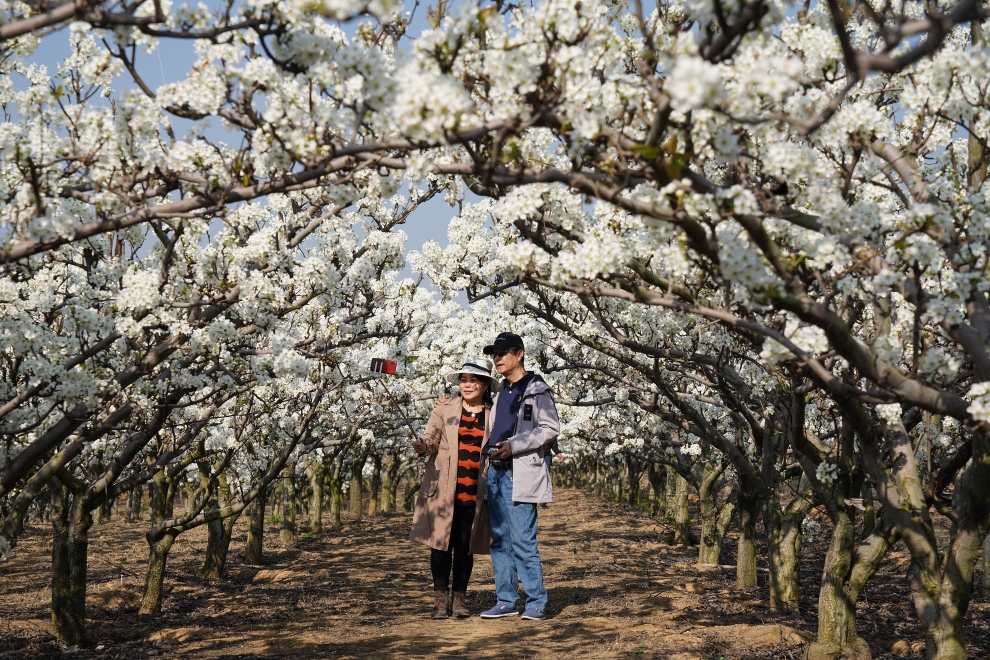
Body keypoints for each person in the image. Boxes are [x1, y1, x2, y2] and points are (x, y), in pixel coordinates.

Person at [480, 332, 559, 621]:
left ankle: (537, 601)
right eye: (494, 354)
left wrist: (515, 445)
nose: (497, 358)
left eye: (502, 353)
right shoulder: (501, 391)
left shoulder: (537, 389)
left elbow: (550, 428)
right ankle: (506, 600)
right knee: (499, 540)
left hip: (519, 471)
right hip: (496, 473)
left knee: (523, 540)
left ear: (520, 353)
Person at [409, 357, 494, 619]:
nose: (468, 385)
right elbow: (431, 438)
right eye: (464, 380)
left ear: (485, 385)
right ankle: (439, 600)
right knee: (440, 545)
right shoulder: (444, 408)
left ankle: (459, 600)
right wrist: (423, 446)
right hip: (444, 489)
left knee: (464, 547)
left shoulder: (494, 412)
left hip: (475, 490)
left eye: (474, 380)